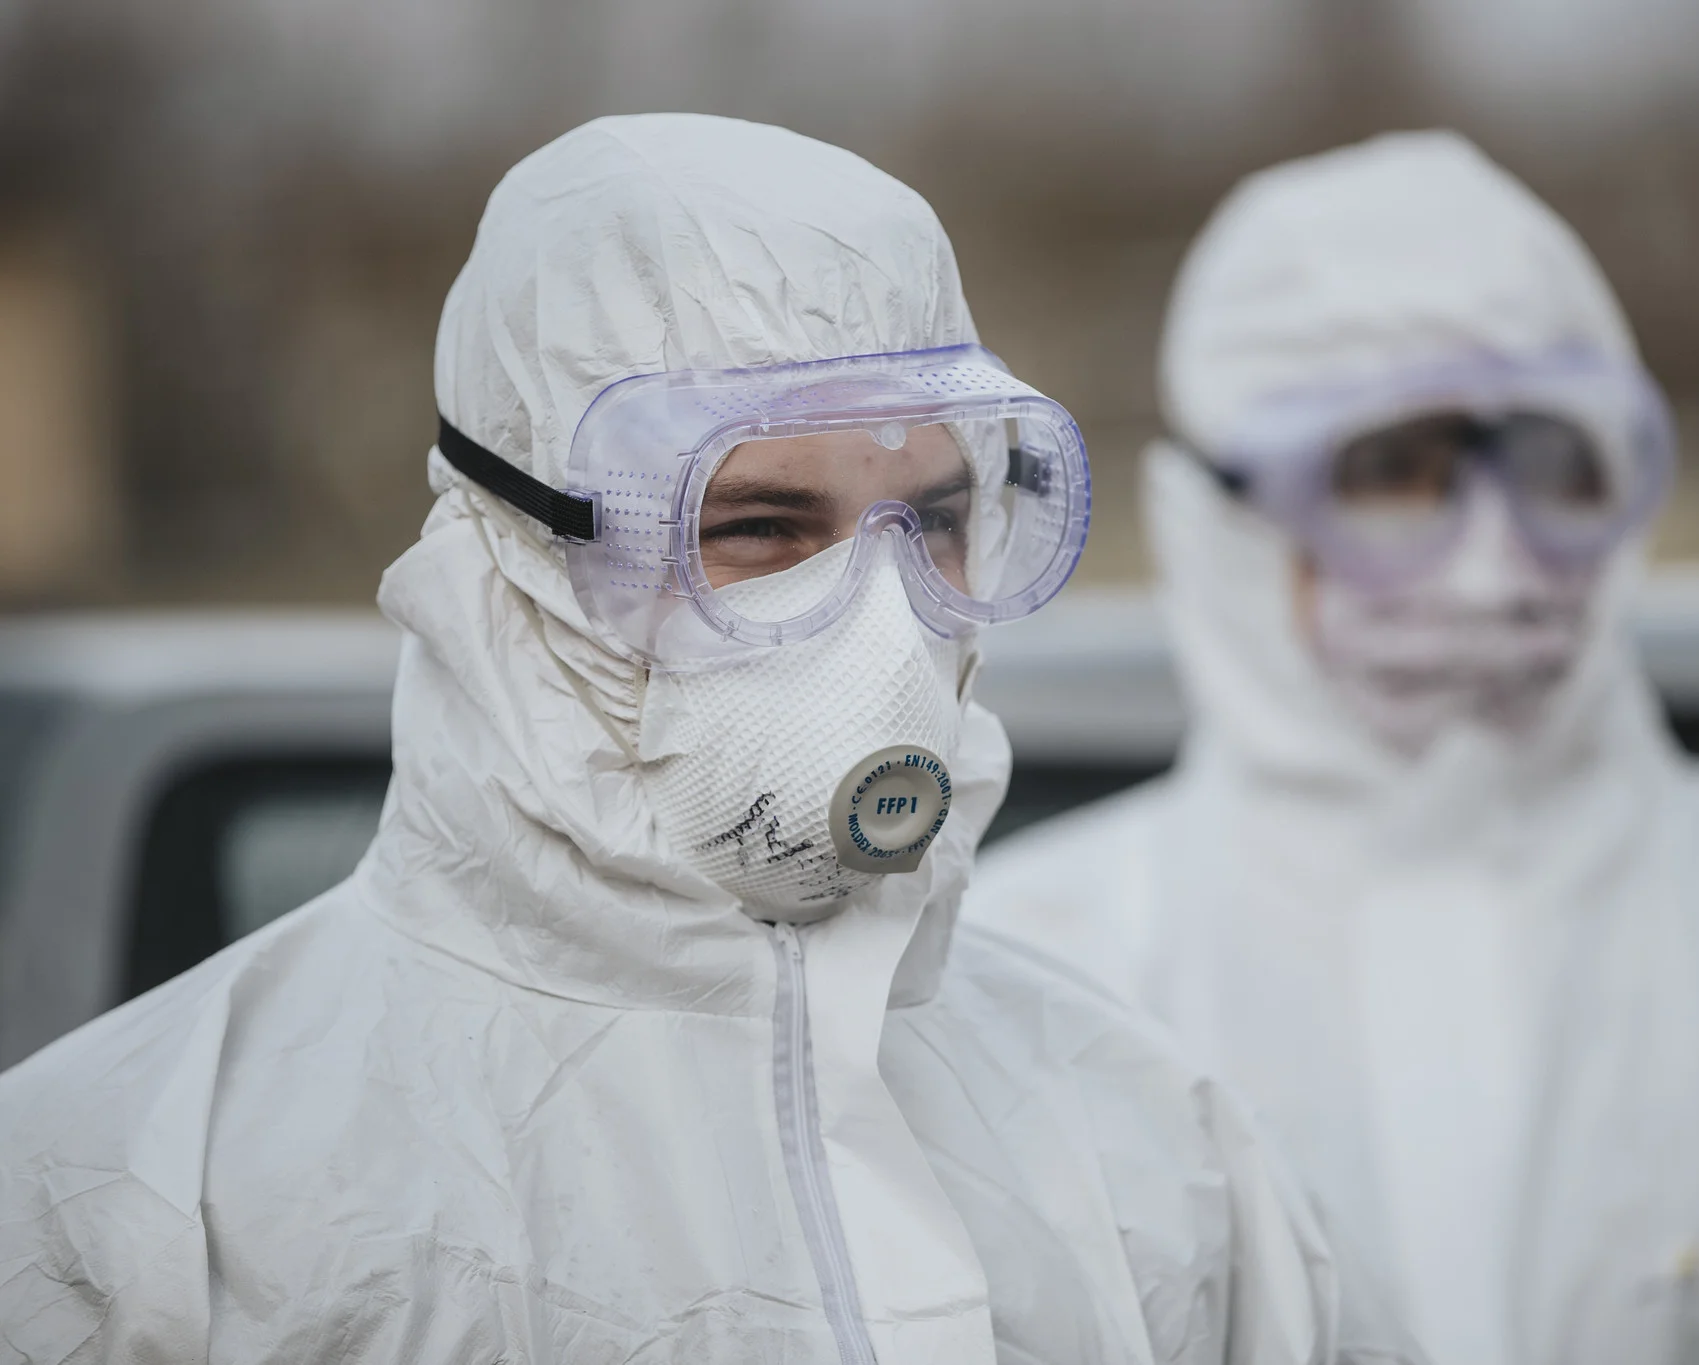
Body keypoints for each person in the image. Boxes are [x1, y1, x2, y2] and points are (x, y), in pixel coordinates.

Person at [0, 114, 1422, 1365]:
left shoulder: (1149, 1148)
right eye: (752, 528)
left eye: (928, 518)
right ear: (518, 543)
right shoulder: (141, 1201)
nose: (879, 614)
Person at [967, 131, 1699, 1365]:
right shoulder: (1031, 993)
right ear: (1222, 524)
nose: (1494, 564)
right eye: (1387, 473)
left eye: (1554, 466)